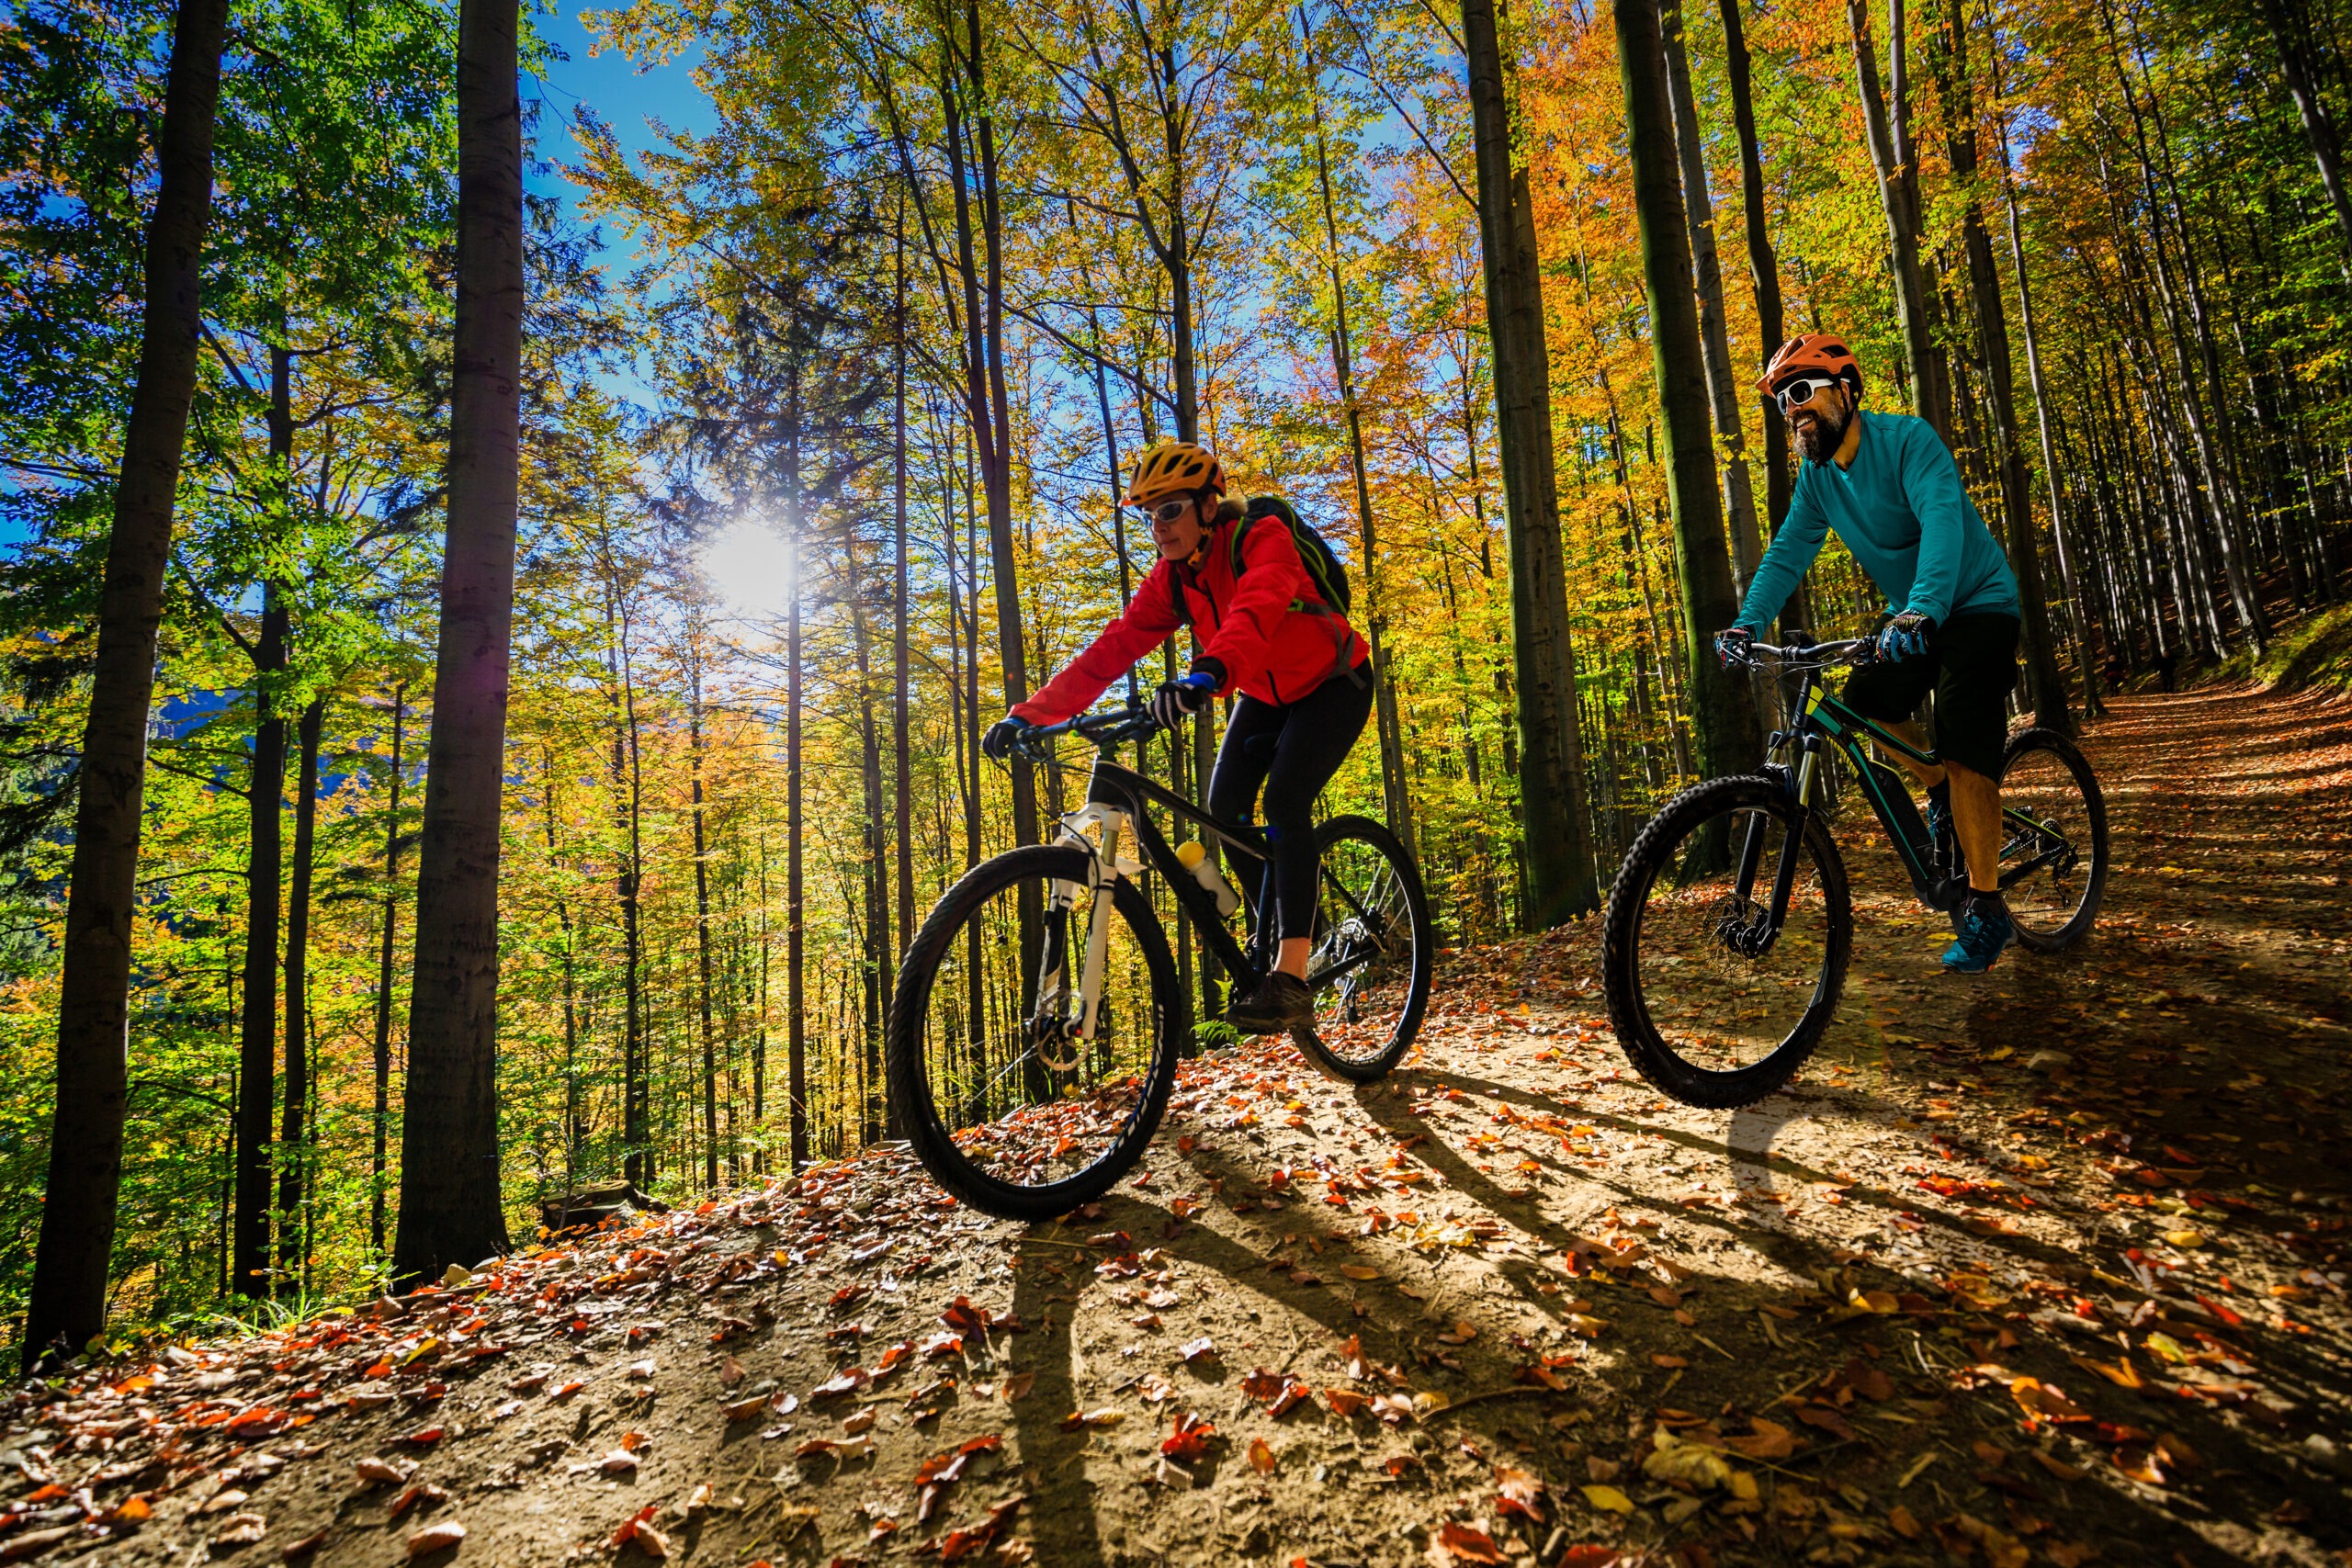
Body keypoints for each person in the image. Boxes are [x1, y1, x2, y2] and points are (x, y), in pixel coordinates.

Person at [981, 441, 1374, 1031]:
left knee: (1286, 800)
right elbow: (1112, 649)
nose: (1158, 527)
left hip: (1334, 681)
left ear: (1209, 506)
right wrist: (1030, 715)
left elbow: (1259, 606)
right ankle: (1292, 923)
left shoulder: (1261, 536)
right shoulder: (1171, 580)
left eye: (1170, 511)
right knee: (1224, 810)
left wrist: (1208, 673)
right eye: (1148, 515)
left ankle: (1292, 973)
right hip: (1264, 694)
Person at [1714, 334, 2024, 974]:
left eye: (1803, 392)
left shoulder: (1909, 441)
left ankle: (1988, 907)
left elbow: (1942, 521)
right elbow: (1787, 552)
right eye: (1782, 403)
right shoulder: (1818, 480)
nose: (1793, 410)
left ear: (1847, 391)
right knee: (1859, 705)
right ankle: (1937, 788)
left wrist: (1922, 608)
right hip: (1915, 611)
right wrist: (1746, 623)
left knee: (1965, 737)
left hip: (1976, 602)